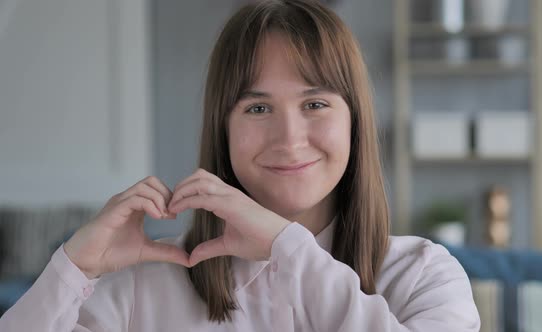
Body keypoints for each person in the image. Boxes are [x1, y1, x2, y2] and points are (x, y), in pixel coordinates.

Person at [0, 0, 480, 330]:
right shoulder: (143, 288)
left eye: (315, 104)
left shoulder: (424, 276)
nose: (289, 138)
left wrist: (282, 246)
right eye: (257, 108)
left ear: (355, 121)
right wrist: (73, 268)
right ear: (222, 128)